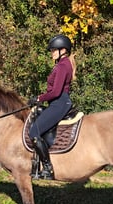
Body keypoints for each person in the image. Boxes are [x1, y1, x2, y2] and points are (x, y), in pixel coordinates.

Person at [28, 34, 77, 180]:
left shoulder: (62, 66)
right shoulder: (63, 64)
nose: (52, 52)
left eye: (54, 50)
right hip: (58, 102)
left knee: (34, 132)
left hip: (59, 103)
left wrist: (39, 98)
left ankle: (48, 168)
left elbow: (55, 92)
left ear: (63, 50)